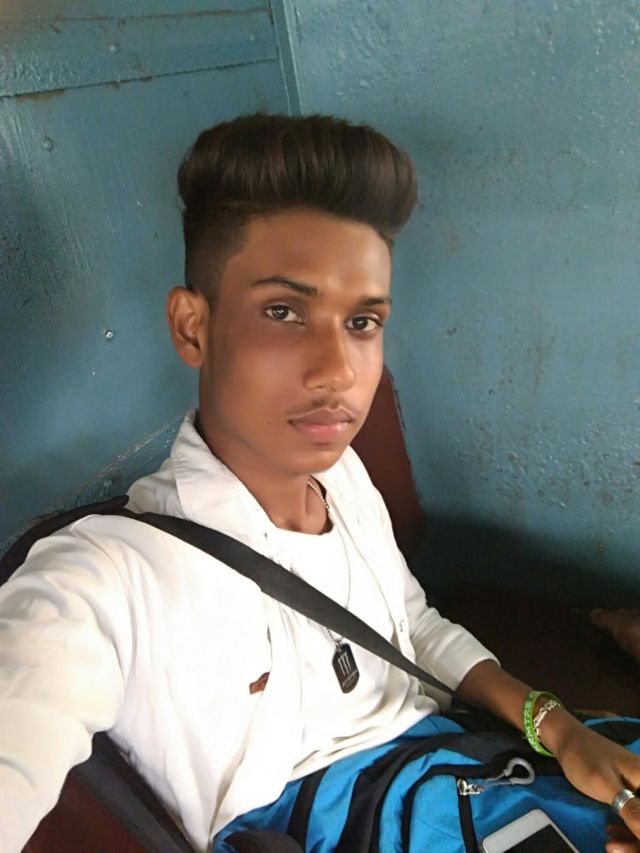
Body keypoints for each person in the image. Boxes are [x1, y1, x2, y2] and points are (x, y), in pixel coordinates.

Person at [0, 113, 639, 853]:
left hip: (468, 766)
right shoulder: (106, 576)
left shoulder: (343, 475)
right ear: (192, 327)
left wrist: (558, 728)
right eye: (284, 312)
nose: (338, 371)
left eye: (362, 322)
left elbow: (414, 626)